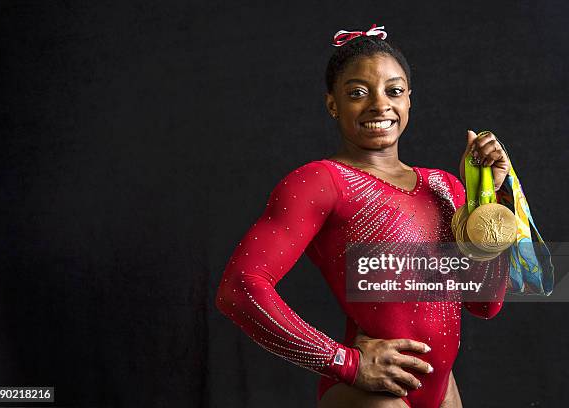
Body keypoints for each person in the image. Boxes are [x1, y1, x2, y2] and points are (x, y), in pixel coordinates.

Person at [215, 24, 512, 408]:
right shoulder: (322, 181)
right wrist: (343, 361)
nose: (379, 105)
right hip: (371, 396)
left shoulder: (444, 185)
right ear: (332, 104)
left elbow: (484, 304)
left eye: (394, 91)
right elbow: (238, 289)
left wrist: (488, 197)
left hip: (444, 393)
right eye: (358, 93)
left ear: (409, 100)